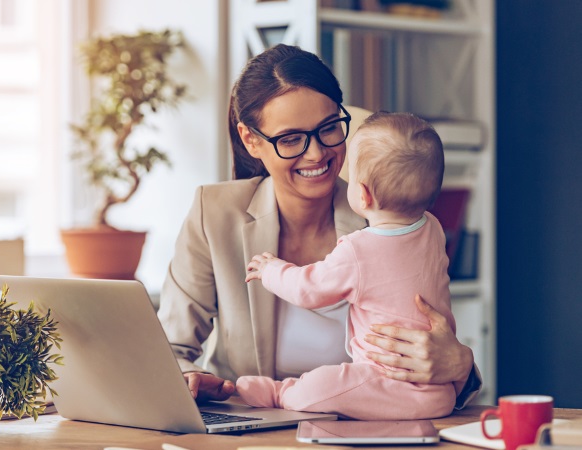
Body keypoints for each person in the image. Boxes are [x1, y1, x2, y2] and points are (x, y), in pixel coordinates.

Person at [157, 43, 480, 407]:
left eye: (328, 128)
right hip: (251, 428)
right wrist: (190, 379)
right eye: (291, 139)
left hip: (363, 429)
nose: (316, 153)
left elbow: (435, 337)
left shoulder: (389, 215)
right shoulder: (213, 213)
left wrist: (460, 364)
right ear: (251, 140)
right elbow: (169, 348)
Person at [236, 111, 455, 420]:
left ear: (362, 195)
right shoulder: (432, 229)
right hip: (439, 392)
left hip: (385, 380)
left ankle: (281, 392)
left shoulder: (359, 249)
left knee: (324, 383)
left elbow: (308, 289)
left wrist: (270, 270)